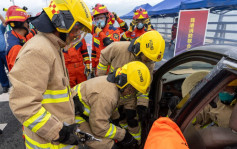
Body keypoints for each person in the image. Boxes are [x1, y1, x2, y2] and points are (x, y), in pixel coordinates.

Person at [9, 0, 92, 148]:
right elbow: (23, 105)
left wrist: (73, 99)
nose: (77, 34)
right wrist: (59, 132)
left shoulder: (54, 46)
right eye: (77, 28)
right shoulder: (38, 51)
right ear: (61, 22)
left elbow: (57, 85)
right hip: (49, 144)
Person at [96, 30, 165, 143]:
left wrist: (142, 104)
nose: (148, 61)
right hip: (112, 95)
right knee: (113, 122)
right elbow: (103, 57)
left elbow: (145, 85)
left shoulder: (149, 64)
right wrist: (101, 78)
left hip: (130, 98)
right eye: (147, 57)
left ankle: (135, 143)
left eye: (151, 59)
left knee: (133, 122)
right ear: (139, 48)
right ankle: (118, 142)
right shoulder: (119, 48)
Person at [73, 61, 151, 149]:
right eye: (131, 89)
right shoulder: (108, 95)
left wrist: (116, 120)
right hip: (72, 117)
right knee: (107, 145)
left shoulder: (112, 86)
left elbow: (109, 109)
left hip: (81, 114)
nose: (131, 93)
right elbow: (99, 128)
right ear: (123, 81)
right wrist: (123, 135)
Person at [91, 4, 121, 75]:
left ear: (107, 17)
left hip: (111, 69)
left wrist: (100, 33)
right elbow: (93, 53)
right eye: (96, 19)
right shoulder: (95, 35)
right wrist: (93, 68)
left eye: (101, 18)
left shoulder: (114, 31)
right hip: (99, 70)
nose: (99, 20)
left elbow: (113, 46)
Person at [5, 5, 36, 72]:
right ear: (24, 24)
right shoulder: (16, 48)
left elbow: (25, 39)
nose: (28, 25)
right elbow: (21, 75)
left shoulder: (12, 34)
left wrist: (35, 31)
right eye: (27, 22)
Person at [0, 14, 10, 93]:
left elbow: (4, 22)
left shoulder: (0, 29)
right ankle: (5, 85)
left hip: (4, 52)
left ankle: (17, 83)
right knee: (1, 71)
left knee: (11, 67)